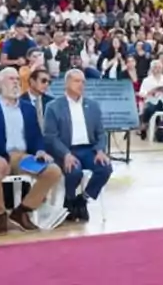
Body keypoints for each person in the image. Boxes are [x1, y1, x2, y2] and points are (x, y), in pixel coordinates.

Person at [0, 67, 63, 234]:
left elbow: (36, 136)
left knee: (53, 171)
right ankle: (0, 215)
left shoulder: (28, 108)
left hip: (23, 157)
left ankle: (21, 211)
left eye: (17, 79)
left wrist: (40, 151)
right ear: (0, 83)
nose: (15, 82)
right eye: (10, 79)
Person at [43, 70, 113, 223]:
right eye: (76, 81)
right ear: (67, 83)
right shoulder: (53, 107)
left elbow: (101, 133)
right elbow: (50, 137)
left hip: (89, 149)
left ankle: (83, 200)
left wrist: (100, 150)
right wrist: (65, 154)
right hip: (66, 150)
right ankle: (69, 200)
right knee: (74, 172)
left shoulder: (93, 106)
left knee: (105, 168)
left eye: (83, 82)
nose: (81, 85)